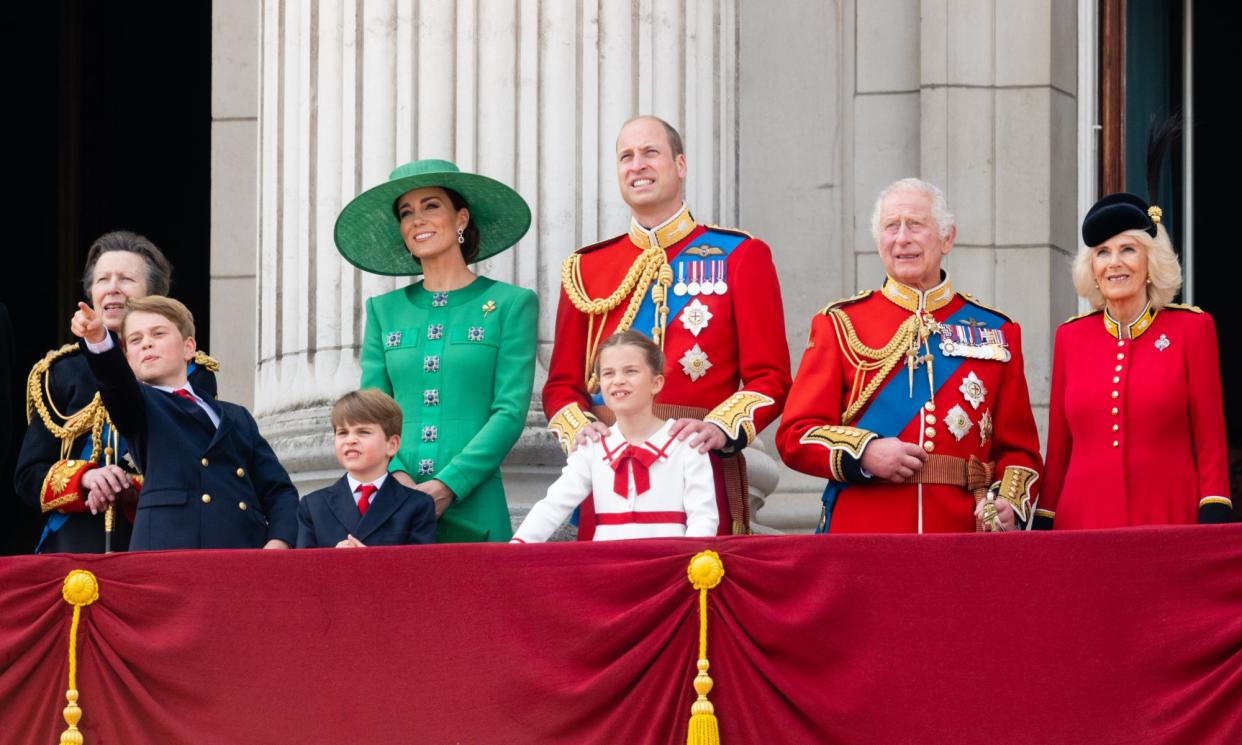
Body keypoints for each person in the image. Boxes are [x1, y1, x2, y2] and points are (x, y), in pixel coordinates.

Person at [542, 116, 791, 537]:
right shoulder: (586, 269)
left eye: (650, 153)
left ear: (680, 165)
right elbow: (561, 385)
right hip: (608, 471)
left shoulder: (740, 255)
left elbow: (770, 377)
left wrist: (718, 428)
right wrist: (582, 431)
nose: (637, 165)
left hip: (697, 464)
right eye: (626, 156)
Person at [776, 178, 1043, 533]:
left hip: (961, 534)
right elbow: (796, 434)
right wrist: (865, 453)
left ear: (947, 238)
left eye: (916, 225)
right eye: (891, 227)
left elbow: (1021, 452)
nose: (902, 238)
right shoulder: (839, 323)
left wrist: (1008, 502)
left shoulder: (997, 331)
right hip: (863, 534)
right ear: (878, 240)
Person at [335, 159, 537, 543]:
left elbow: (510, 411)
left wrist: (450, 482)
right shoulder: (383, 311)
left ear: (461, 218)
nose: (417, 219)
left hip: (476, 502)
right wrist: (399, 477)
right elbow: (371, 413)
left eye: (431, 206)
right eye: (406, 212)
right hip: (394, 500)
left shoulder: (511, 303)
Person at [15, 231, 219, 553]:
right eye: (102, 279)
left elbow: (196, 468)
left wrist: (128, 486)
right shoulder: (59, 372)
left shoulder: (190, 370)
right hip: (71, 549)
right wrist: (85, 479)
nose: (112, 287)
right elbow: (28, 476)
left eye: (126, 279)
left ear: (153, 295)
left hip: (157, 541)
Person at [1037, 193, 1230, 528]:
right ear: (1092, 268)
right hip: (1082, 524)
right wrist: (1044, 521)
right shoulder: (1071, 338)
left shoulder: (1192, 329)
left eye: (1127, 249)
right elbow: (1058, 452)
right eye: (1102, 253)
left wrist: (1213, 518)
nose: (1114, 262)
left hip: (1168, 520)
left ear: (1150, 262)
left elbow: (1211, 443)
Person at [70, 296, 296, 550]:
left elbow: (279, 490)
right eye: (135, 339)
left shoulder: (237, 416)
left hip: (242, 551)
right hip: (170, 551)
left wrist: (279, 542)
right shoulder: (139, 404)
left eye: (158, 334)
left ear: (189, 348)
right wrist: (98, 338)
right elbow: (114, 382)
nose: (146, 344)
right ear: (128, 359)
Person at [513, 331, 717, 542]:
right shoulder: (592, 446)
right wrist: (516, 547)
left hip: (669, 566)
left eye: (630, 371)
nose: (618, 381)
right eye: (609, 373)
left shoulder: (686, 444)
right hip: (607, 567)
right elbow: (553, 505)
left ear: (656, 383)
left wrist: (688, 563)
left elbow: (703, 518)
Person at [297, 389, 437, 548]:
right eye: (342, 433)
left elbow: (421, 568)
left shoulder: (417, 505)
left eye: (363, 432)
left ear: (392, 445)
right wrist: (332, 561)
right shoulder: (313, 505)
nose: (350, 440)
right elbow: (303, 569)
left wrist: (369, 562)